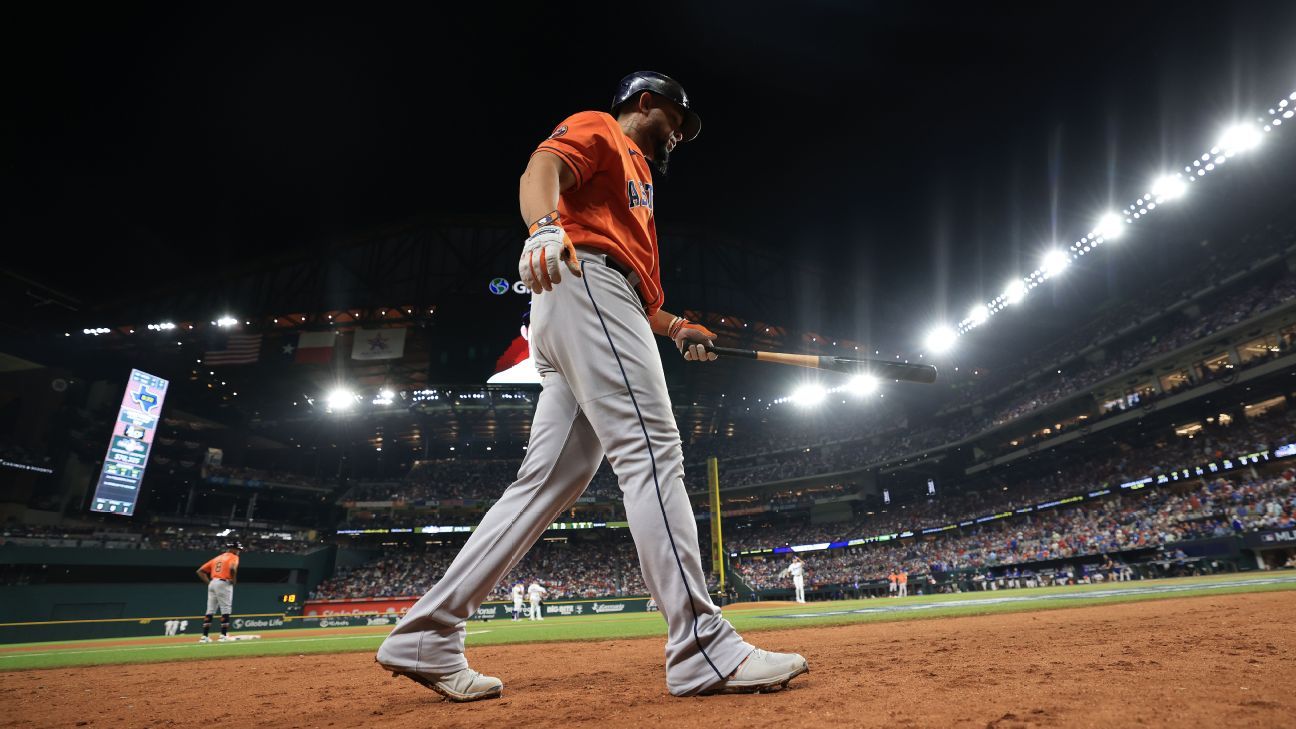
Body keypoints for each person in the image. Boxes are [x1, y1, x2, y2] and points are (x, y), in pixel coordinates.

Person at [375, 71, 807, 701]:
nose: (682, 136)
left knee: (546, 484)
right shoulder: (603, 128)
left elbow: (628, 288)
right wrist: (544, 226)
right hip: (582, 287)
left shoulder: (639, 183)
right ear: (646, 103)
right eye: (678, 122)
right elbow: (541, 168)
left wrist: (678, 325)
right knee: (653, 453)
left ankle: (428, 633)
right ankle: (702, 649)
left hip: (591, 302)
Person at [196, 540, 241, 643]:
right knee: (226, 609)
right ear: (232, 549)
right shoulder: (234, 557)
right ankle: (223, 635)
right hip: (224, 583)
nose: (239, 551)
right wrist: (234, 580)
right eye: (238, 549)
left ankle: (204, 637)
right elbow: (232, 568)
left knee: (210, 610)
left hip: (213, 582)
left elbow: (200, 571)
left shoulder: (217, 558)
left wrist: (210, 584)